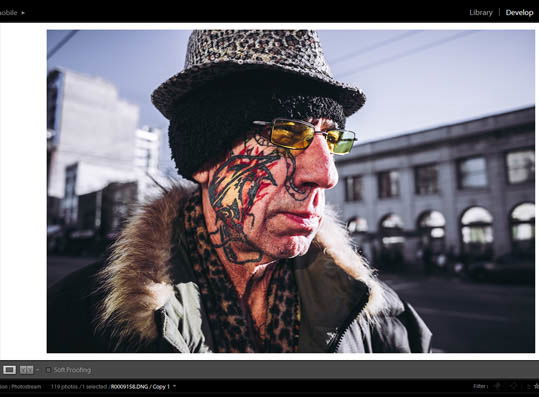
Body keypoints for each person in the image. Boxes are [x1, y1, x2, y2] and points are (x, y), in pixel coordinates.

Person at [48, 30, 432, 353]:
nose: (325, 173)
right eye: (287, 132)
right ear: (203, 158)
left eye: (331, 139)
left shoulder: (380, 319)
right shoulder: (75, 323)